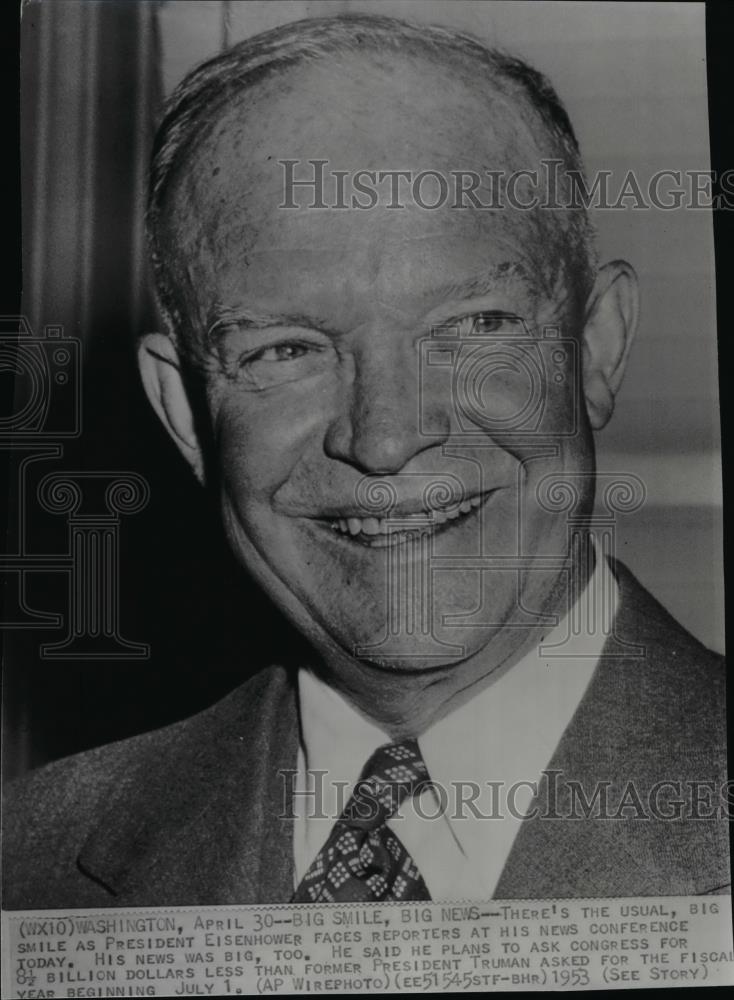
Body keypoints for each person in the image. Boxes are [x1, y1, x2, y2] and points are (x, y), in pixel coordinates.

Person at [3, 13, 728, 908]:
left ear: (595, 349)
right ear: (186, 414)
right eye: (286, 350)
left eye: (472, 327)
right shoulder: (27, 866)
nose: (384, 440)